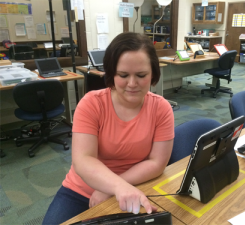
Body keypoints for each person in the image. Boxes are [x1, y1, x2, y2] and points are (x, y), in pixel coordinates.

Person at [42, 32, 174, 224]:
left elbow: (157, 163)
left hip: (137, 185)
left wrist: (114, 188)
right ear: (112, 73)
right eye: (123, 75)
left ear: (153, 73)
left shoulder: (161, 108)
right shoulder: (92, 104)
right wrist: (115, 187)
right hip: (82, 189)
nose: (132, 84)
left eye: (141, 75)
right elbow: (83, 160)